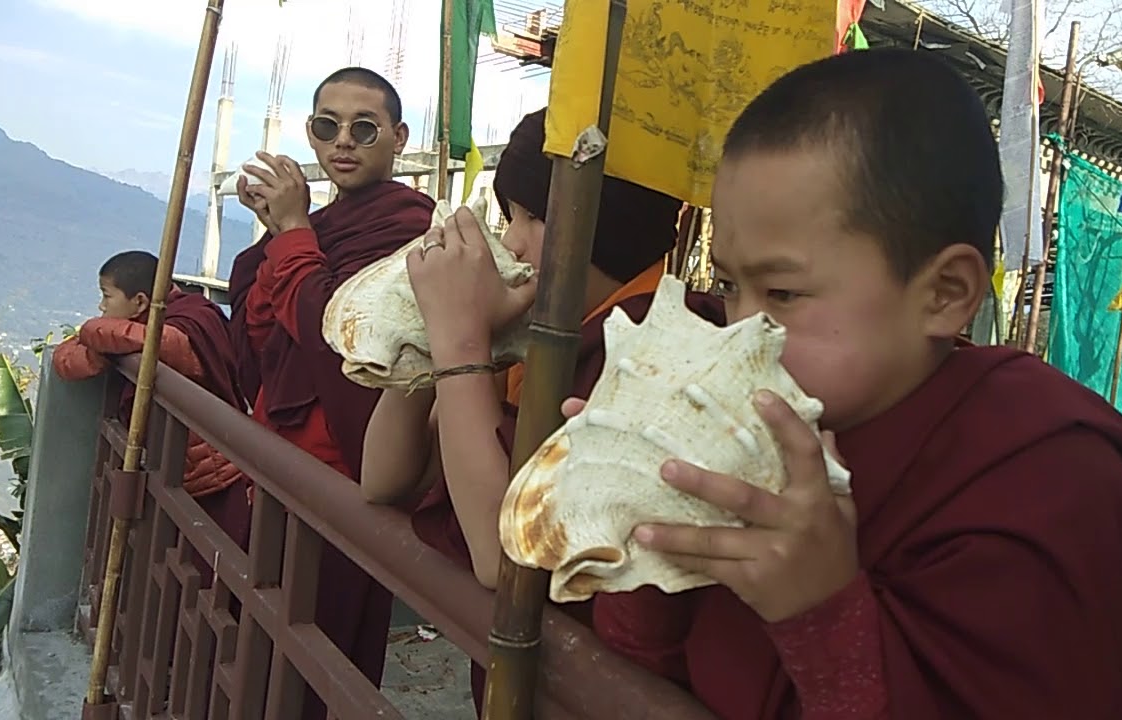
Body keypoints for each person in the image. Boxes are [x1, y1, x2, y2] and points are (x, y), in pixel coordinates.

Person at [575, 49, 1122, 719]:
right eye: (731, 287)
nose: (740, 332)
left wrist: (819, 608)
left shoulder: (1054, 484)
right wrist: (647, 538)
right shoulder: (761, 445)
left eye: (784, 292)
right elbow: (646, 677)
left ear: (946, 293)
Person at [358, 107, 726, 712]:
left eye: (534, 216)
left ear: (606, 223)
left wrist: (460, 341)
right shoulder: (541, 337)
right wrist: (429, 332)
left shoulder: (654, 347)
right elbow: (385, 478)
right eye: (509, 215)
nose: (511, 241)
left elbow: (503, 558)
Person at [226, 67, 435, 717]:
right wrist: (279, 233)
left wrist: (291, 231)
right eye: (327, 126)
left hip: (340, 469)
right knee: (251, 643)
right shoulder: (325, 225)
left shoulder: (407, 227)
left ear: (397, 138)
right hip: (272, 460)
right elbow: (264, 343)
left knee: (320, 654)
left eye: (363, 128)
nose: (343, 142)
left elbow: (335, 329)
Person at [54, 250, 251, 582]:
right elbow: (65, 358)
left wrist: (99, 338)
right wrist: (104, 349)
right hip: (175, 470)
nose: (102, 306)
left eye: (106, 296)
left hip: (211, 471)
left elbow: (157, 343)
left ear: (141, 301)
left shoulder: (191, 322)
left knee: (205, 575)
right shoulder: (145, 323)